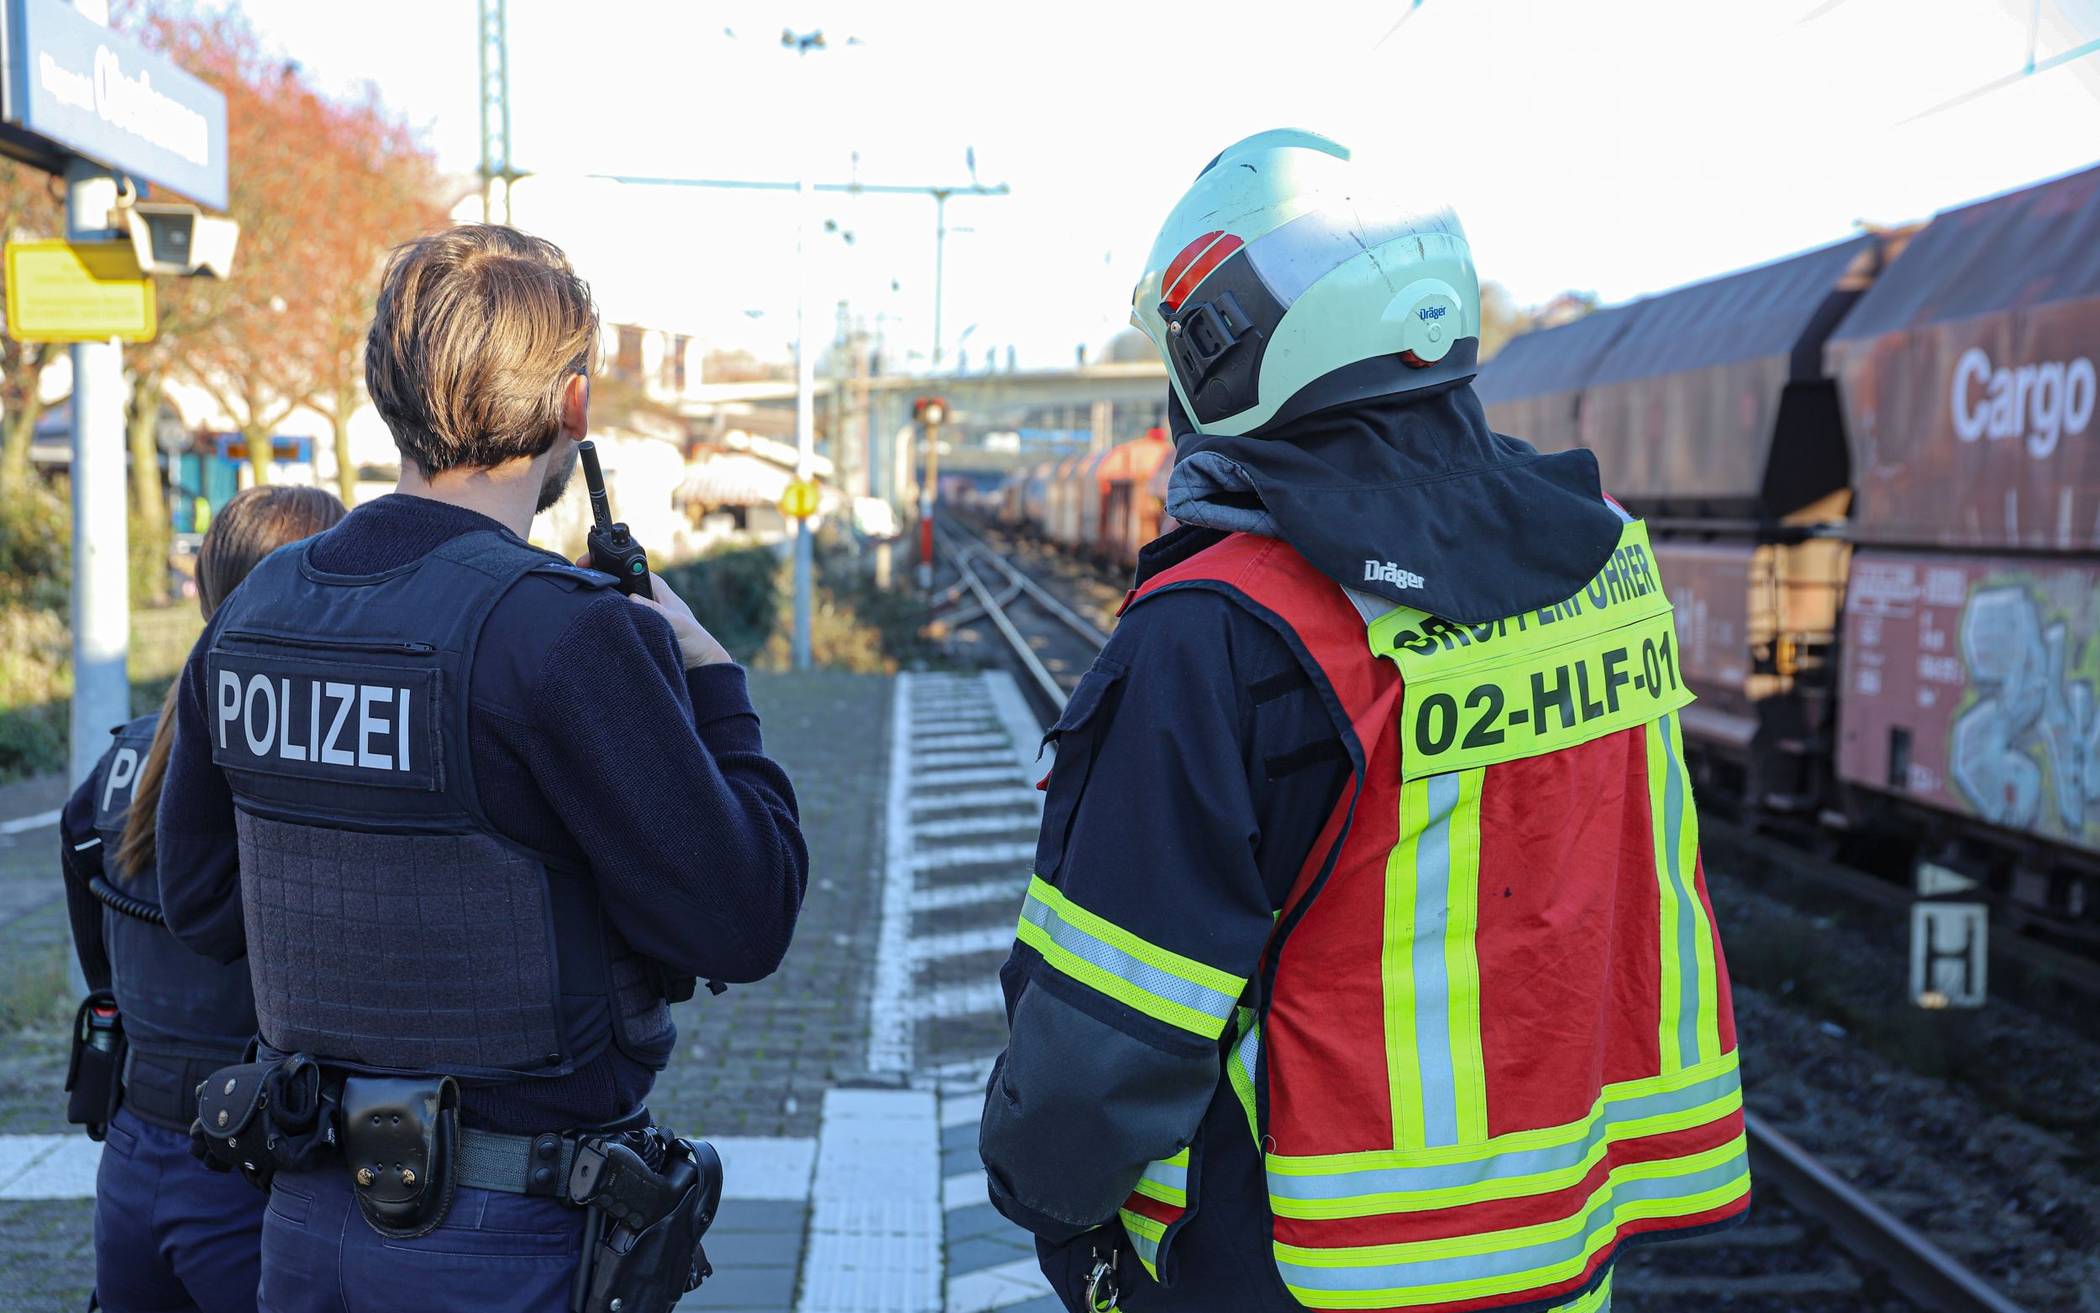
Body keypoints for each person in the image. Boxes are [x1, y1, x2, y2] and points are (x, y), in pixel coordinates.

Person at [979, 129, 1749, 1313]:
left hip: (1301, 1265)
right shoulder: (1605, 563)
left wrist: (1046, 1202)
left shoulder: (1220, 628)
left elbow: (1105, 1041)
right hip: (1551, 1253)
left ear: (1222, 352)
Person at [154, 224, 808, 1313]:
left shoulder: (256, 609)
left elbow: (203, 905)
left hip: (307, 1226)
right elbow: (745, 917)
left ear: (384, 389)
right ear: (573, 406)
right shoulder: (564, 632)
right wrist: (712, 675)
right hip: (509, 1238)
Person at [61, 484, 348, 1313]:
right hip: (254, 1170)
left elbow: (98, 953)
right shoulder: (299, 772)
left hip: (133, 1161)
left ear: (201, 591)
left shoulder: (119, 763)